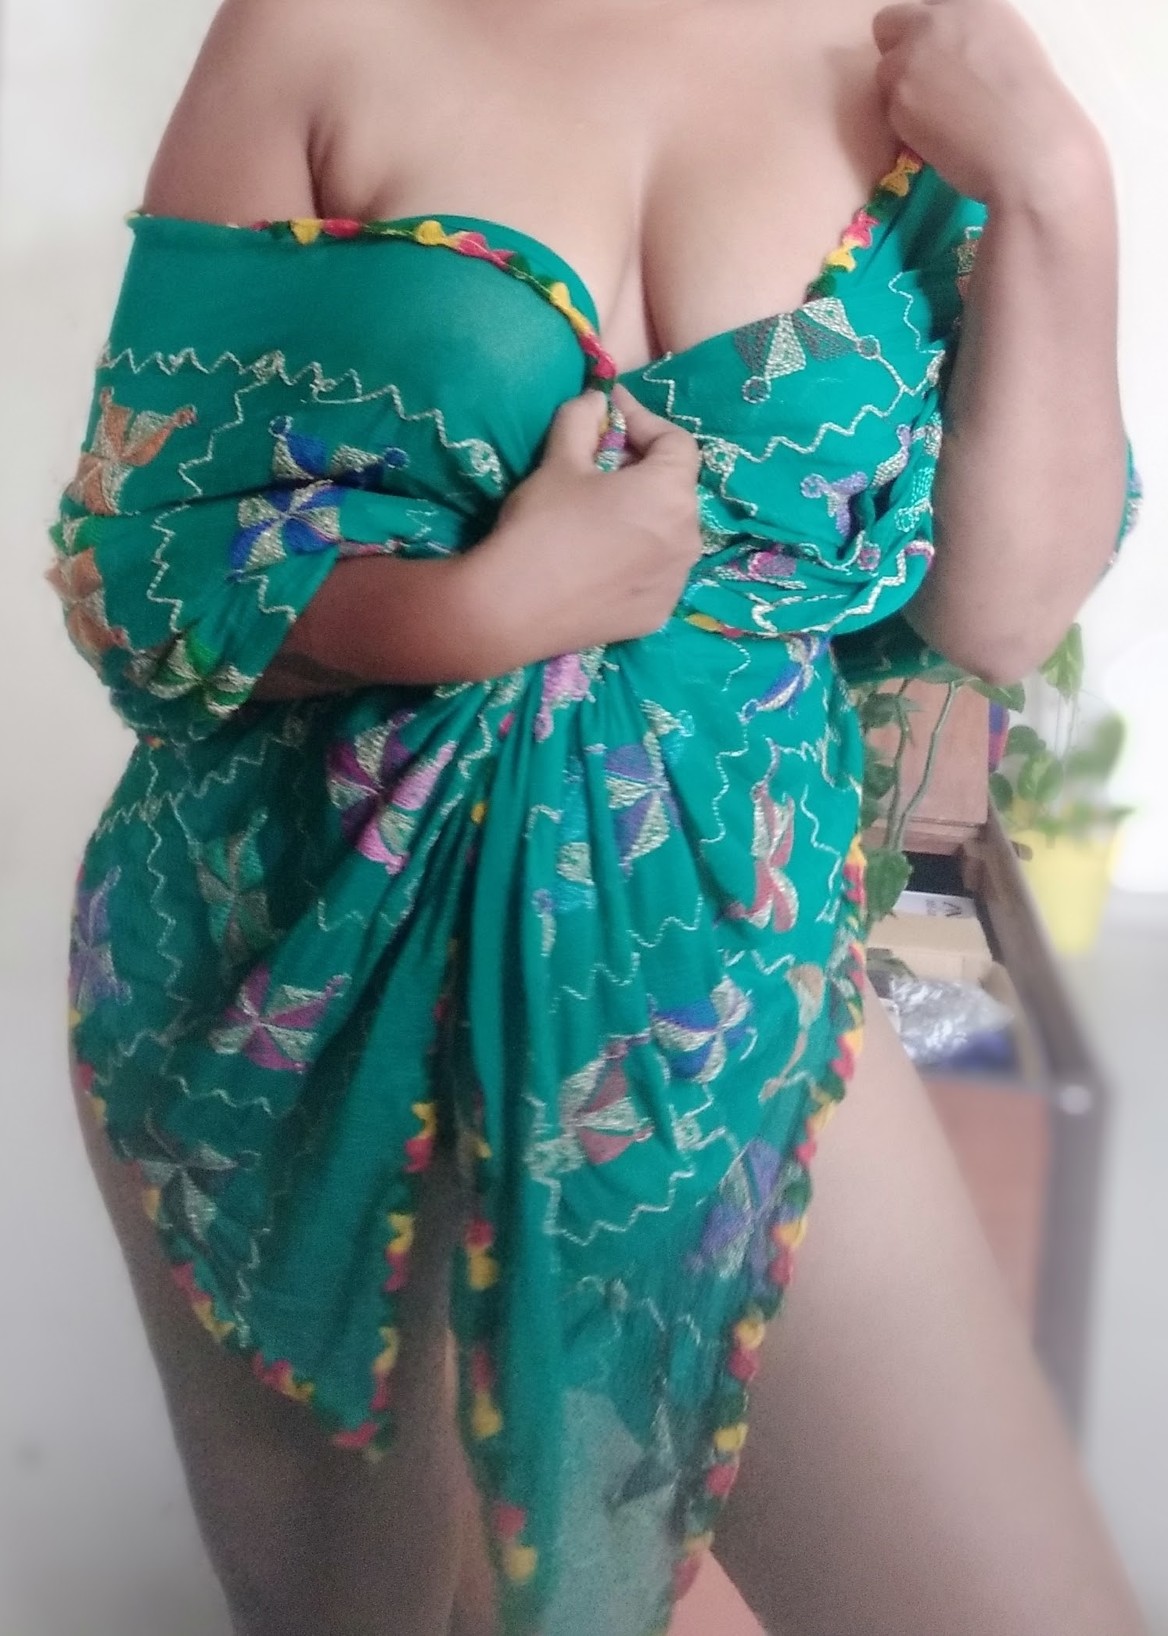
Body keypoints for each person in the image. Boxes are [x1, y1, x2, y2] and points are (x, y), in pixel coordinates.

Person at [55, 0, 1145, 1632]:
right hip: (290, 980)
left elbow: (1003, 614)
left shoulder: (920, 59)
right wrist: (476, 613)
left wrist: (1060, 186)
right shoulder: (317, 23)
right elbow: (133, 569)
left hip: (726, 984)